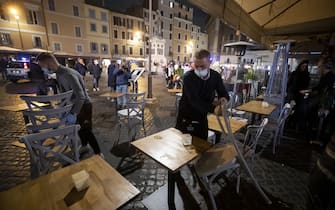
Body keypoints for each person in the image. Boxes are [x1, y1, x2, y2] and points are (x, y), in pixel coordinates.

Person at [36, 52, 103, 157]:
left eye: (42, 66)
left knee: (87, 130)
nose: (42, 69)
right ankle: (85, 146)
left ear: (48, 63)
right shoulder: (59, 73)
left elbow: (81, 96)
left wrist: (73, 113)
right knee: (80, 128)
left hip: (84, 105)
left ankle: (98, 153)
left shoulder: (68, 74)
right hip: (75, 105)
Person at [176, 49, 229, 140]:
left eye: (202, 66)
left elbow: (224, 93)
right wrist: (214, 109)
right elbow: (194, 101)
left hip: (202, 118)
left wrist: (223, 100)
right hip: (186, 118)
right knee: (183, 149)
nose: (199, 69)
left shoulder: (215, 76)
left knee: (203, 146)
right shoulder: (188, 77)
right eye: (196, 66)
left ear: (209, 63)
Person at [286, 59, 310, 131]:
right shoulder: (294, 73)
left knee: (298, 110)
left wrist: (305, 91)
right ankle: (287, 123)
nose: (304, 67)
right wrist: (287, 91)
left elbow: (306, 86)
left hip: (300, 95)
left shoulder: (306, 75)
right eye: (303, 66)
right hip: (292, 93)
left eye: (305, 66)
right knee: (290, 109)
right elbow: (289, 83)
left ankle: (295, 125)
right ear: (300, 66)